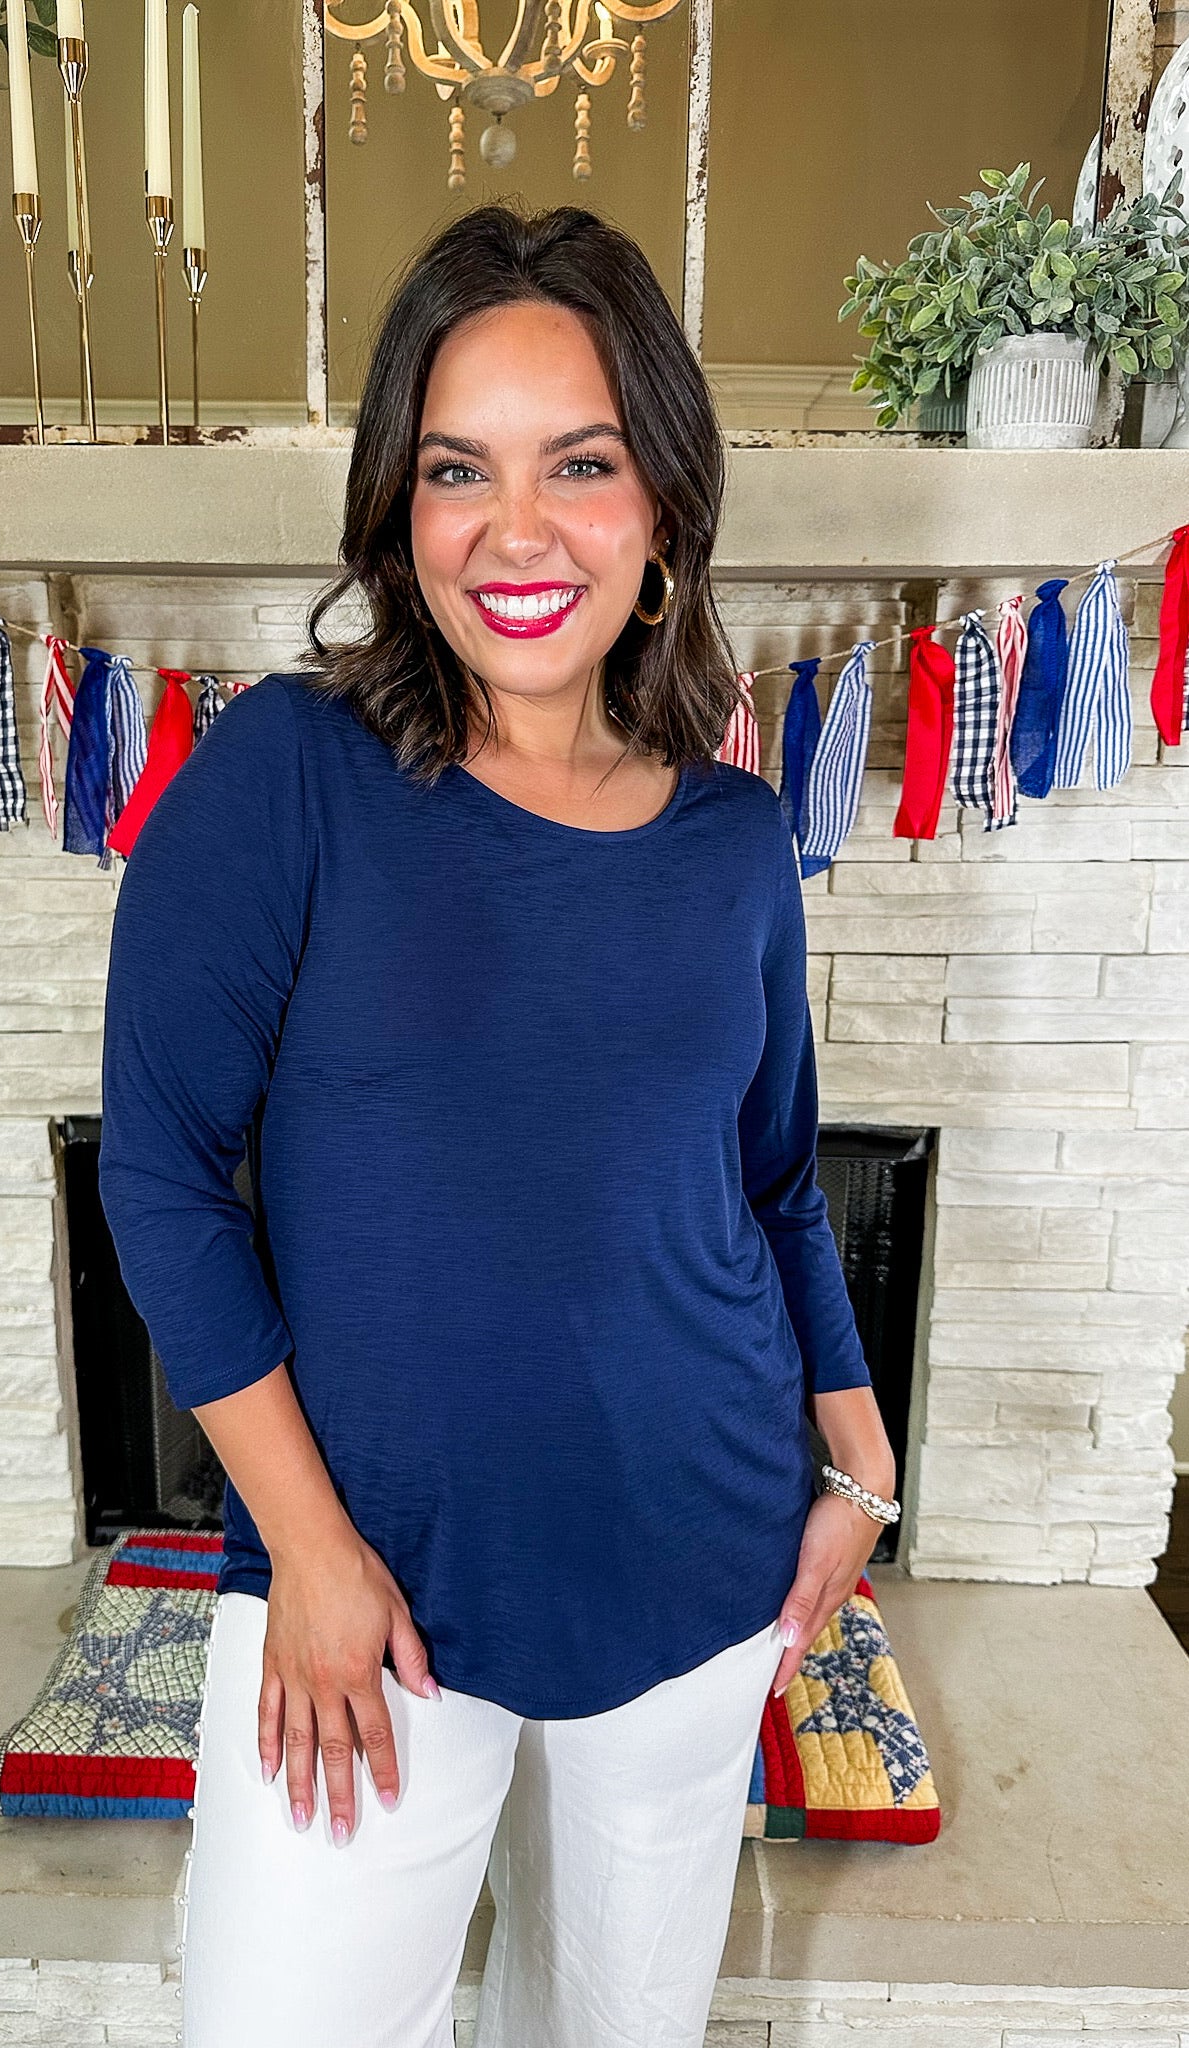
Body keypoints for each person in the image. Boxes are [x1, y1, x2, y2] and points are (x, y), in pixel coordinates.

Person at [98, 201, 897, 2048]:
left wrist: (856, 1461)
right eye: (458, 468)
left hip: (698, 1563)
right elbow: (159, 1176)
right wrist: (306, 1550)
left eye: (581, 465)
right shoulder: (289, 774)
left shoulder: (733, 837)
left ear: (664, 511)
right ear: (399, 509)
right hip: (366, 1588)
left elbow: (773, 1180)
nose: (515, 530)